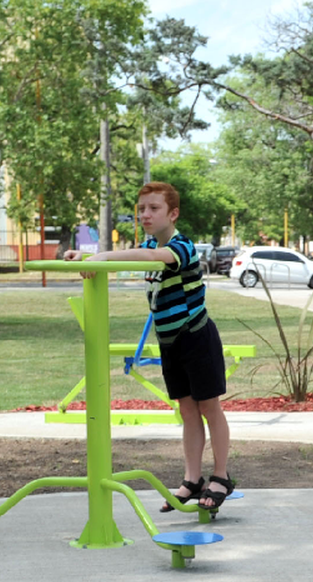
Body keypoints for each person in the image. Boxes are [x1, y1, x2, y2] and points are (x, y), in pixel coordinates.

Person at [66, 182, 234, 512]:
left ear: (173, 213)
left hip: (196, 336)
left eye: (154, 209)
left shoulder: (183, 247)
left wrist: (100, 254)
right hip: (170, 341)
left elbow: (154, 256)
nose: (145, 214)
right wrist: (87, 256)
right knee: (187, 411)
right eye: (141, 209)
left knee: (208, 407)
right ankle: (192, 479)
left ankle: (221, 476)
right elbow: (134, 255)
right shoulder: (147, 244)